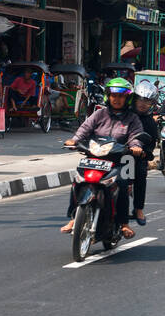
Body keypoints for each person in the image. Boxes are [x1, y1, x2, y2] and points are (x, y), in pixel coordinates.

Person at [61, 78, 148, 239]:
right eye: (113, 95)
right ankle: (74, 218)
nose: (116, 99)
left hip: (118, 161)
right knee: (78, 181)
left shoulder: (132, 119)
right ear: (108, 96)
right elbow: (85, 129)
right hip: (94, 157)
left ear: (127, 98)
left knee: (122, 185)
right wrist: (74, 140)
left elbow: (135, 136)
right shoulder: (99, 113)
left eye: (121, 96)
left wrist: (135, 147)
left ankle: (123, 223)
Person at [130, 80, 159, 226]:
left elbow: (150, 145)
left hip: (132, 159)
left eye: (147, 100)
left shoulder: (149, 122)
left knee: (140, 173)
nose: (142, 103)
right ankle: (74, 216)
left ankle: (138, 208)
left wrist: (143, 153)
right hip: (112, 153)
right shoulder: (123, 114)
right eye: (140, 99)